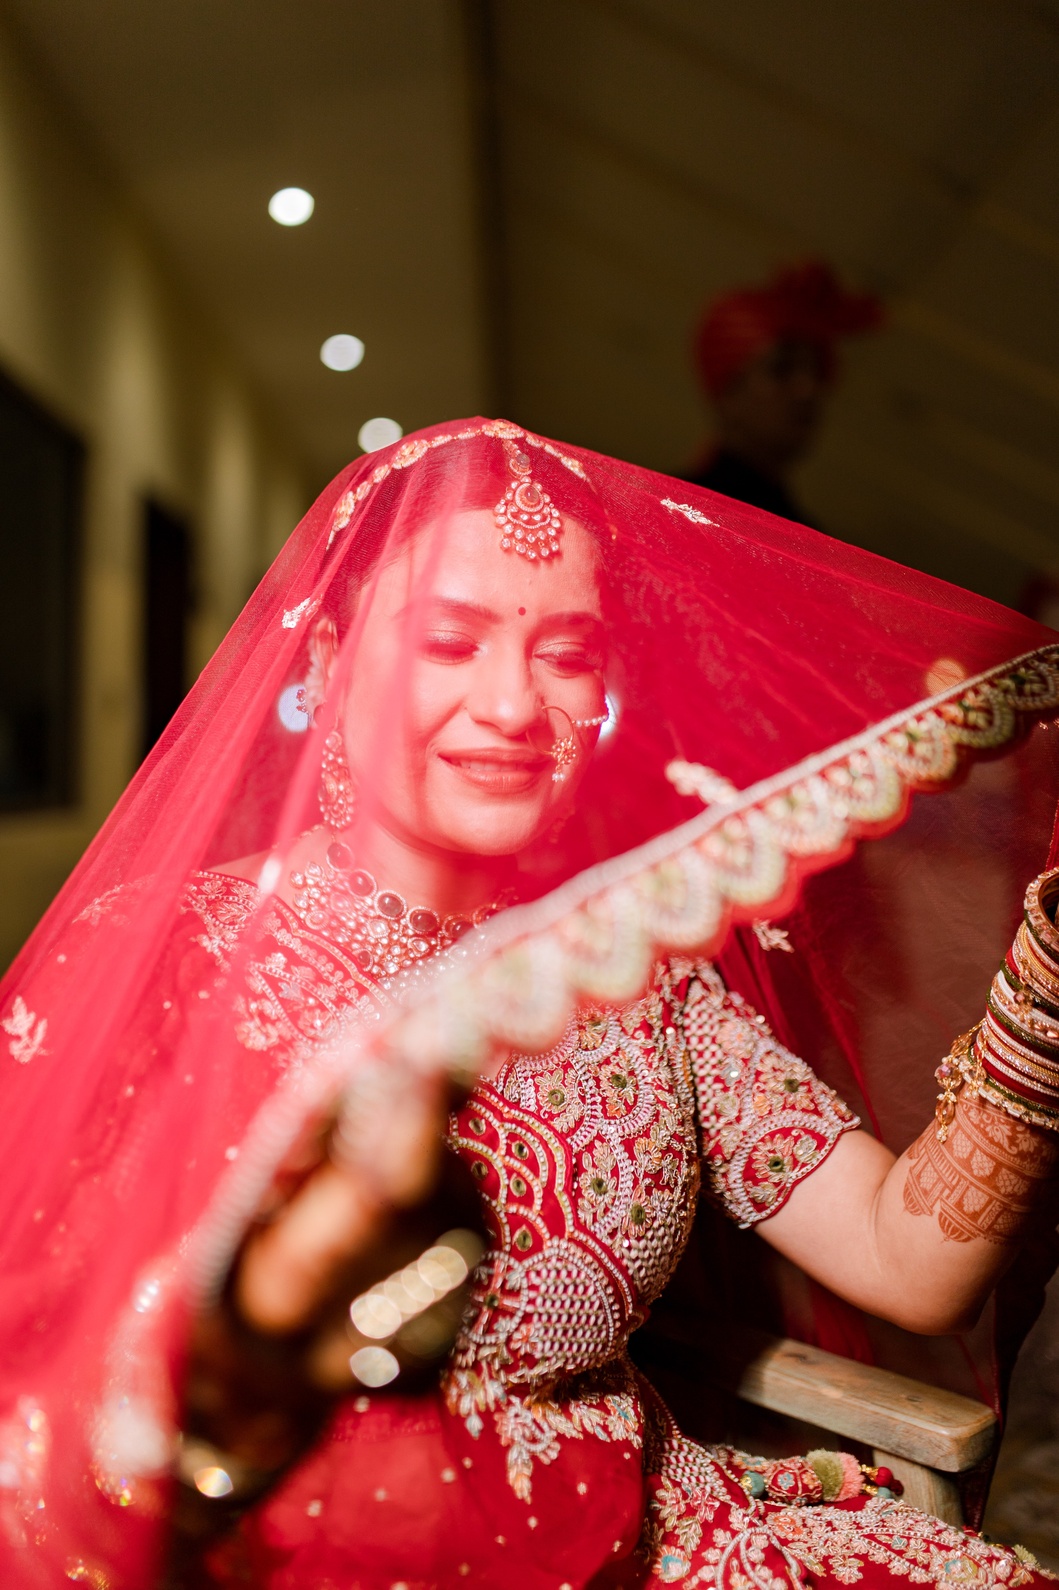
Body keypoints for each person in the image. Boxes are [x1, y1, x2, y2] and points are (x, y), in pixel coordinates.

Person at [0, 418, 1058, 1589]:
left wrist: (1045, 997)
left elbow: (909, 1261)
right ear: (325, 666)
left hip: (651, 1549)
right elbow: (43, 1393)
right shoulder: (168, 957)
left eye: (567, 653)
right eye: (451, 642)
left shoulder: (636, 967)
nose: (513, 704)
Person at [688, 261, 881, 525]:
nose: (808, 389)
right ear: (728, 392)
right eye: (781, 369)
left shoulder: (804, 538)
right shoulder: (668, 507)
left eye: (817, 373)